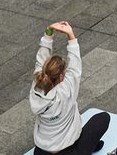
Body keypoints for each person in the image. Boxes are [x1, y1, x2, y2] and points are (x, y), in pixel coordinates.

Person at [31, 21, 110, 155]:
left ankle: (89, 146)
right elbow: (75, 66)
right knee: (103, 118)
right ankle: (87, 147)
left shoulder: (37, 86)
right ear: (61, 76)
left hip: (41, 152)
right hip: (69, 152)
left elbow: (40, 60)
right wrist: (70, 35)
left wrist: (48, 33)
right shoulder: (66, 90)